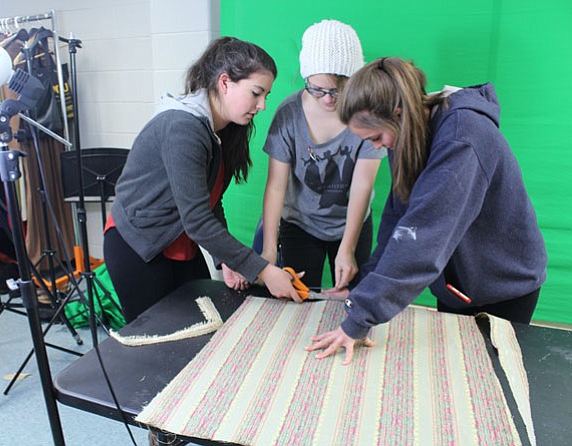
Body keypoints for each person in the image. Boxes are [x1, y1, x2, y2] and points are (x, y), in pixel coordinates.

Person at [306, 57, 547, 364]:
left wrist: (359, 319)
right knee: (453, 371)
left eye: (377, 137)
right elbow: (397, 224)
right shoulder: (405, 137)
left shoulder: (464, 136)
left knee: (489, 378)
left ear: (397, 113)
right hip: (458, 283)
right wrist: (363, 288)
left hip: (503, 283)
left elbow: (422, 239)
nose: (377, 147)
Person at [103, 37, 302, 323]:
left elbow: (211, 200)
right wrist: (262, 270)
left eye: (266, 96)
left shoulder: (227, 128)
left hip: (179, 240)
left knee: (204, 327)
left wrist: (227, 260)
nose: (262, 105)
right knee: (156, 341)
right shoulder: (182, 128)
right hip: (139, 245)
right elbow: (197, 219)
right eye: (256, 93)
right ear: (224, 82)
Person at [260, 19, 385, 291]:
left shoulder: (369, 114)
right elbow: (276, 186)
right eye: (317, 90)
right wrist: (269, 250)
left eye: (337, 91)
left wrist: (347, 248)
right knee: (301, 298)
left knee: (356, 296)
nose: (328, 99)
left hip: (353, 221)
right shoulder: (289, 114)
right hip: (300, 224)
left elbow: (362, 185)